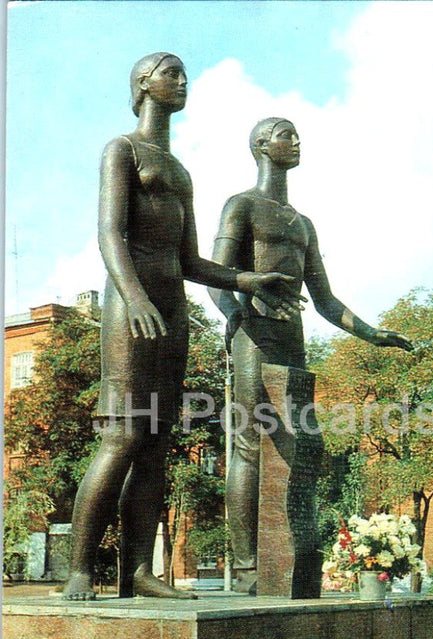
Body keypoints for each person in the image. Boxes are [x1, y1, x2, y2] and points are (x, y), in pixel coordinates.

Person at [64, 58, 302, 601]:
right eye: (170, 73)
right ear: (143, 84)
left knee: (155, 444)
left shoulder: (180, 171)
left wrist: (248, 279)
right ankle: (80, 570)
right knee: (123, 435)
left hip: (171, 308)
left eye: (183, 74)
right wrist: (135, 297)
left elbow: (191, 261)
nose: (182, 81)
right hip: (132, 304)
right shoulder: (122, 149)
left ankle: (137, 572)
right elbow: (109, 233)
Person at [209, 117, 412, 594]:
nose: (296, 141)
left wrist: (371, 333)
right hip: (254, 335)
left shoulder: (303, 223)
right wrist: (235, 315)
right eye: (286, 134)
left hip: (291, 340)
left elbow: (324, 299)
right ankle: (247, 567)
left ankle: (289, 565)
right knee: (250, 445)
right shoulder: (241, 206)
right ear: (262, 145)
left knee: (299, 446)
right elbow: (217, 276)